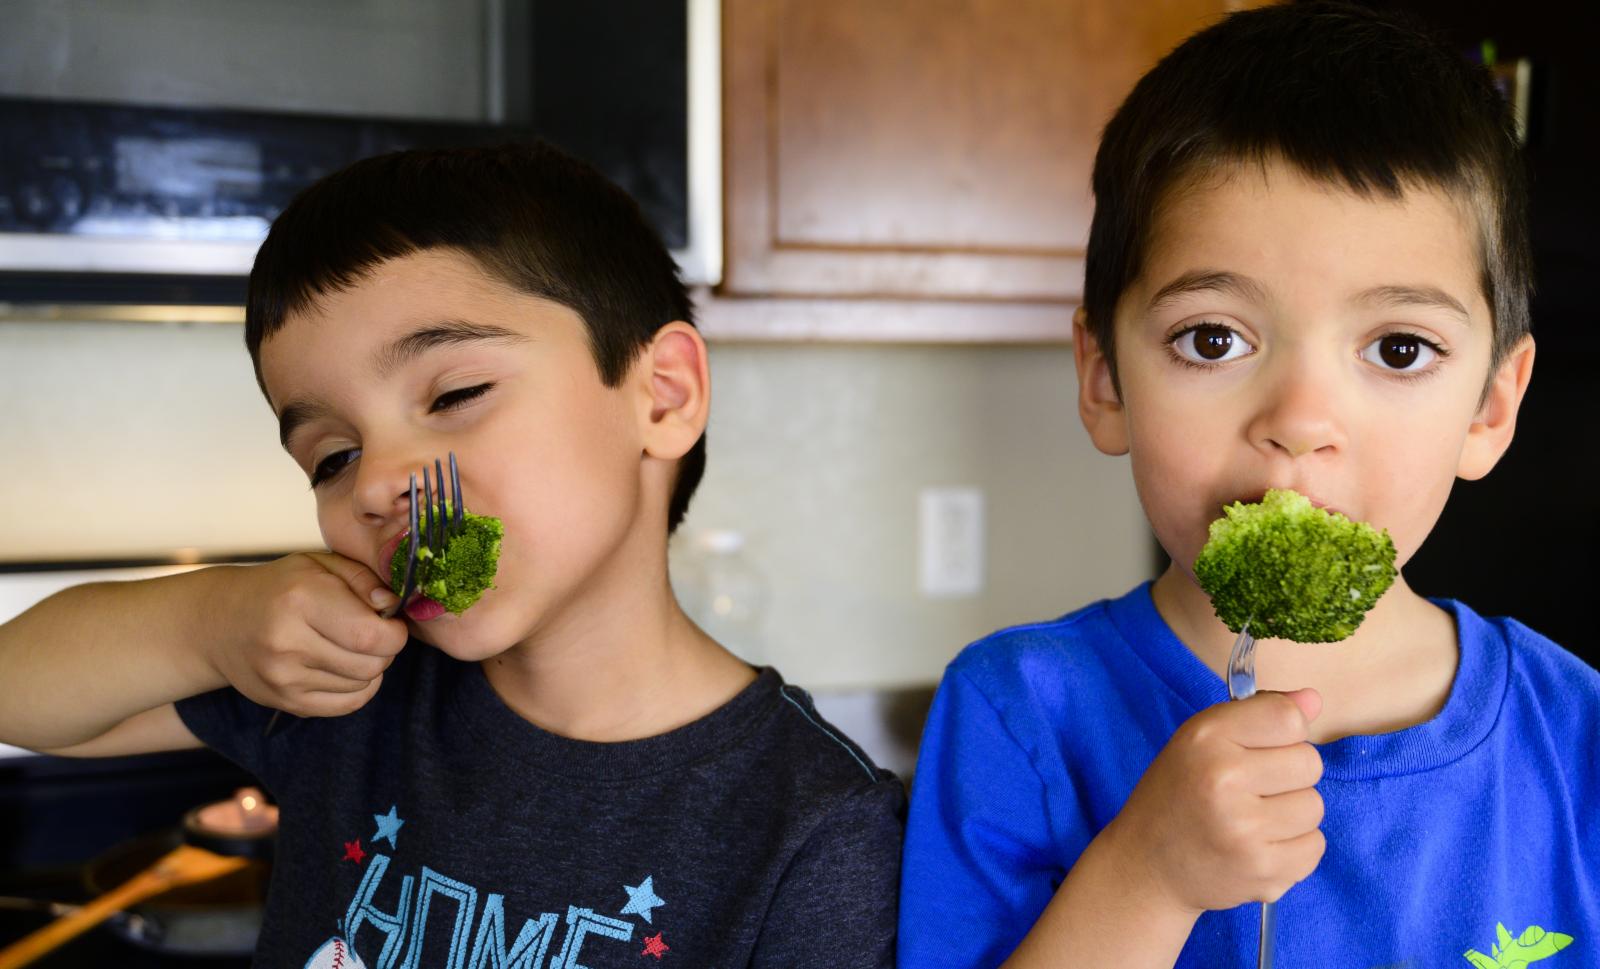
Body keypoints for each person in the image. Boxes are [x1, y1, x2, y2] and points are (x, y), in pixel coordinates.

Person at [0, 142, 903, 968]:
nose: (380, 483)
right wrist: (212, 622)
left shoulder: (818, 826)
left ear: (662, 397)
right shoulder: (344, 689)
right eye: (334, 457)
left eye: (457, 391)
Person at [897, 4, 1597, 967]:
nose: (1301, 420)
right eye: (1212, 339)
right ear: (1104, 380)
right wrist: (1147, 876)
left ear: (1490, 408)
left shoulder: (1578, 737)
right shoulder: (1021, 712)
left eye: (1398, 349)